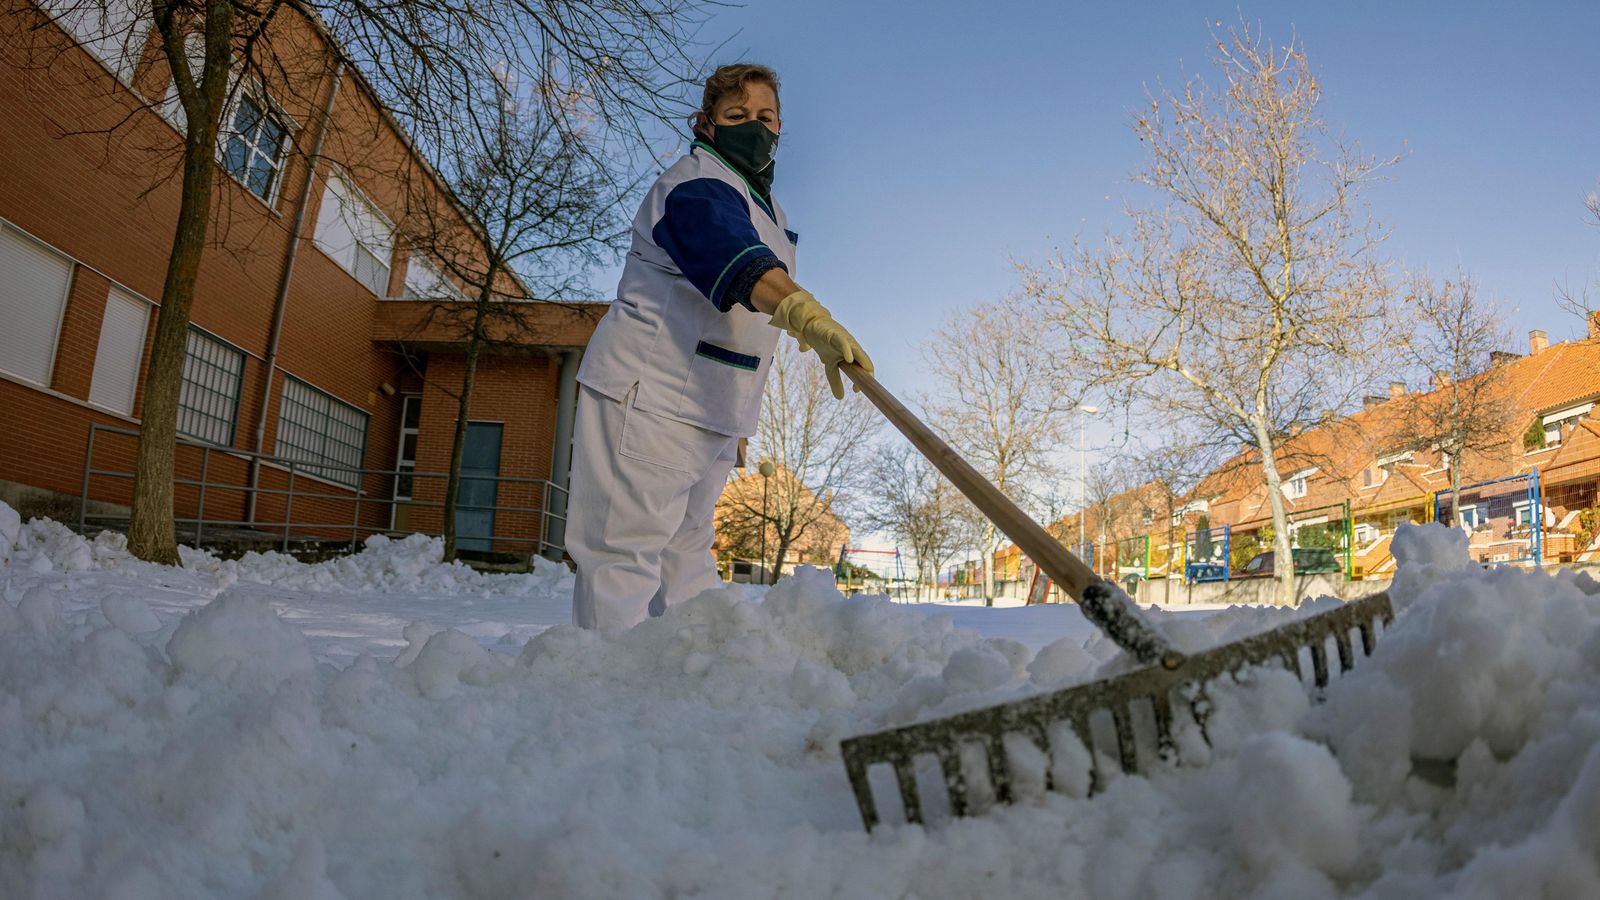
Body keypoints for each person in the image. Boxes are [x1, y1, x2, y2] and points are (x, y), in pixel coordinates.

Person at [567, 63, 873, 630]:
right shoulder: (696, 183)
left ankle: (698, 678)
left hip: (710, 406)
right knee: (624, 555)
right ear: (707, 125)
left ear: (780, 128)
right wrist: (805, 312)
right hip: (651, 394)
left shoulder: (772, 213)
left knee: (685, 557)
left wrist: (735, 422)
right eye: (737, 116)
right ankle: (603, 688)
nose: (753, 127)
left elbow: (741, 328)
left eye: (765, 117)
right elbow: (732, 258)